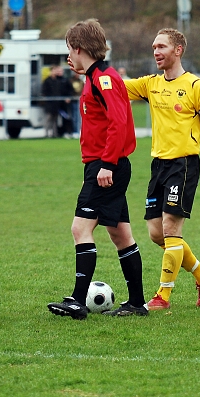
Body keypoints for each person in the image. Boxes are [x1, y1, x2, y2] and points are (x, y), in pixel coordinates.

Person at [124, 28, 200, 311]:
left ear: (178, 50)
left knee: (171, 229)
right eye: (153, 47)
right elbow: (115, 86)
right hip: (158, 165)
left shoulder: (197, 86)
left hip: (183, 165)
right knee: (155, 233)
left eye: (161, 46)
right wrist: (90, 69)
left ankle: (163, 296)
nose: (156, 52)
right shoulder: (151, 84)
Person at [48, 19, 148, 319]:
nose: (69, 55)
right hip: (107, 165)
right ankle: (137, 303)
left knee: (80, 228)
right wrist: (83, 71)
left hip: (106, 167)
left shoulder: (103, 78)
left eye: (70, 49)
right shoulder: (96, 76)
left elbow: (119, 123)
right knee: (120, 234)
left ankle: (78, 301)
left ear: (78, 48)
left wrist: (106, 164)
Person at [42, 65, 64, 138]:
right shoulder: (47, 81)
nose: (55, 72)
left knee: (55, 120)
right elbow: (44, 92)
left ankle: (54, 134)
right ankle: (46, 133)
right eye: (54, 70)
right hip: (49, 104)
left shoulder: (57, 81)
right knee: (48, 119)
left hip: (56, 104)